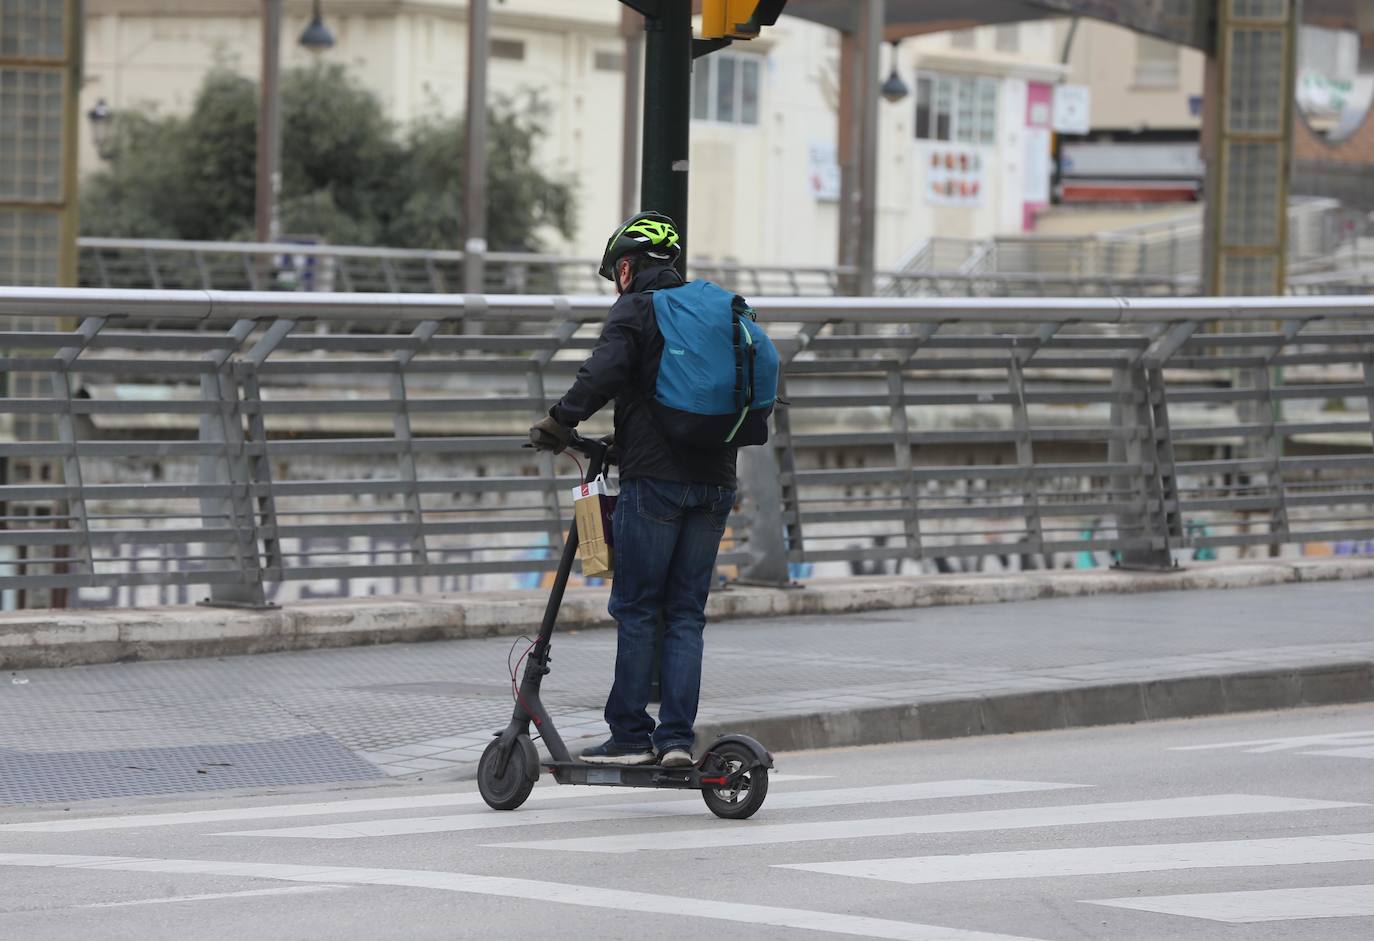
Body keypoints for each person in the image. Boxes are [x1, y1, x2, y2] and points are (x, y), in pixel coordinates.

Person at [528, 211, 738, 769]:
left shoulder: (637, 307)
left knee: (640, 607)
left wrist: (558, 421)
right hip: (716, 480)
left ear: (626, 267)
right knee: (687, 612)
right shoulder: (711, 309)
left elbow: (604, 373)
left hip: (657, 481)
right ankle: (674, 740)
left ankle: (629, 732)